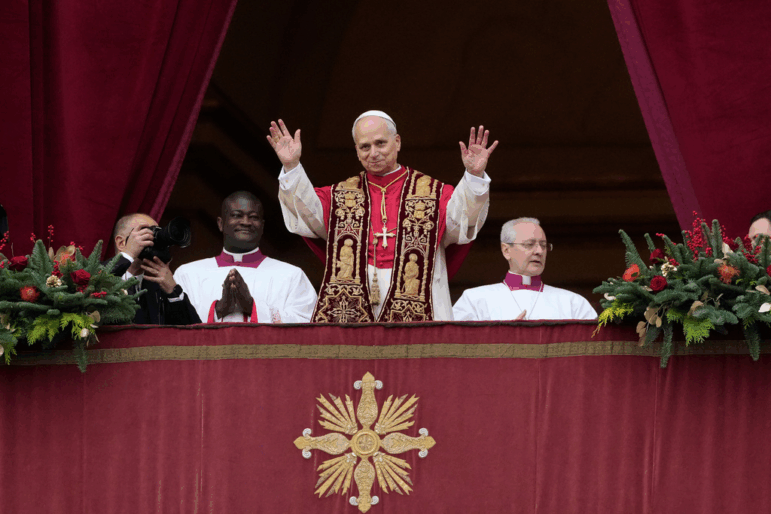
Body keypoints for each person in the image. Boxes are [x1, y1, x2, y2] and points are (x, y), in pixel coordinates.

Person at [268, 111, 497, 322]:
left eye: (380, 143)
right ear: (357, 151)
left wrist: (474, 175)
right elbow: (308, 214)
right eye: (364, 147)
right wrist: (292, 166)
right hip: (355, 296)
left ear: (397, 142)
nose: (373, 153)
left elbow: (462, 220)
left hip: (419, 294)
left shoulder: (434, 193)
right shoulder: (339, 195)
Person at [173, 192, 316, 323]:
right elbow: (173, 323)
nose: (246, 222)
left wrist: (252, 307)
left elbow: (307, 326)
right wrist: (219, 309)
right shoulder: (187, 274)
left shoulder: (292, 275)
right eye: (237, 215)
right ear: (221, 223)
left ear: (262, 226)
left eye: (253, 217)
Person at [453, 217, 597, 321]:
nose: (539, 251)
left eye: (543, 245)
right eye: (529, 244)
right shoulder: (474, 300)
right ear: (506, 250)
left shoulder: (574, 303)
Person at [111, 213, 201, 325]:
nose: (153, 239)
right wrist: (128, 256)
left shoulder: (158, 288)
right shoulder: (93, 274)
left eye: (155, 233)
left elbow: (194, 333)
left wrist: (173, 291)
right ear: (121, 243)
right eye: (145, 233)